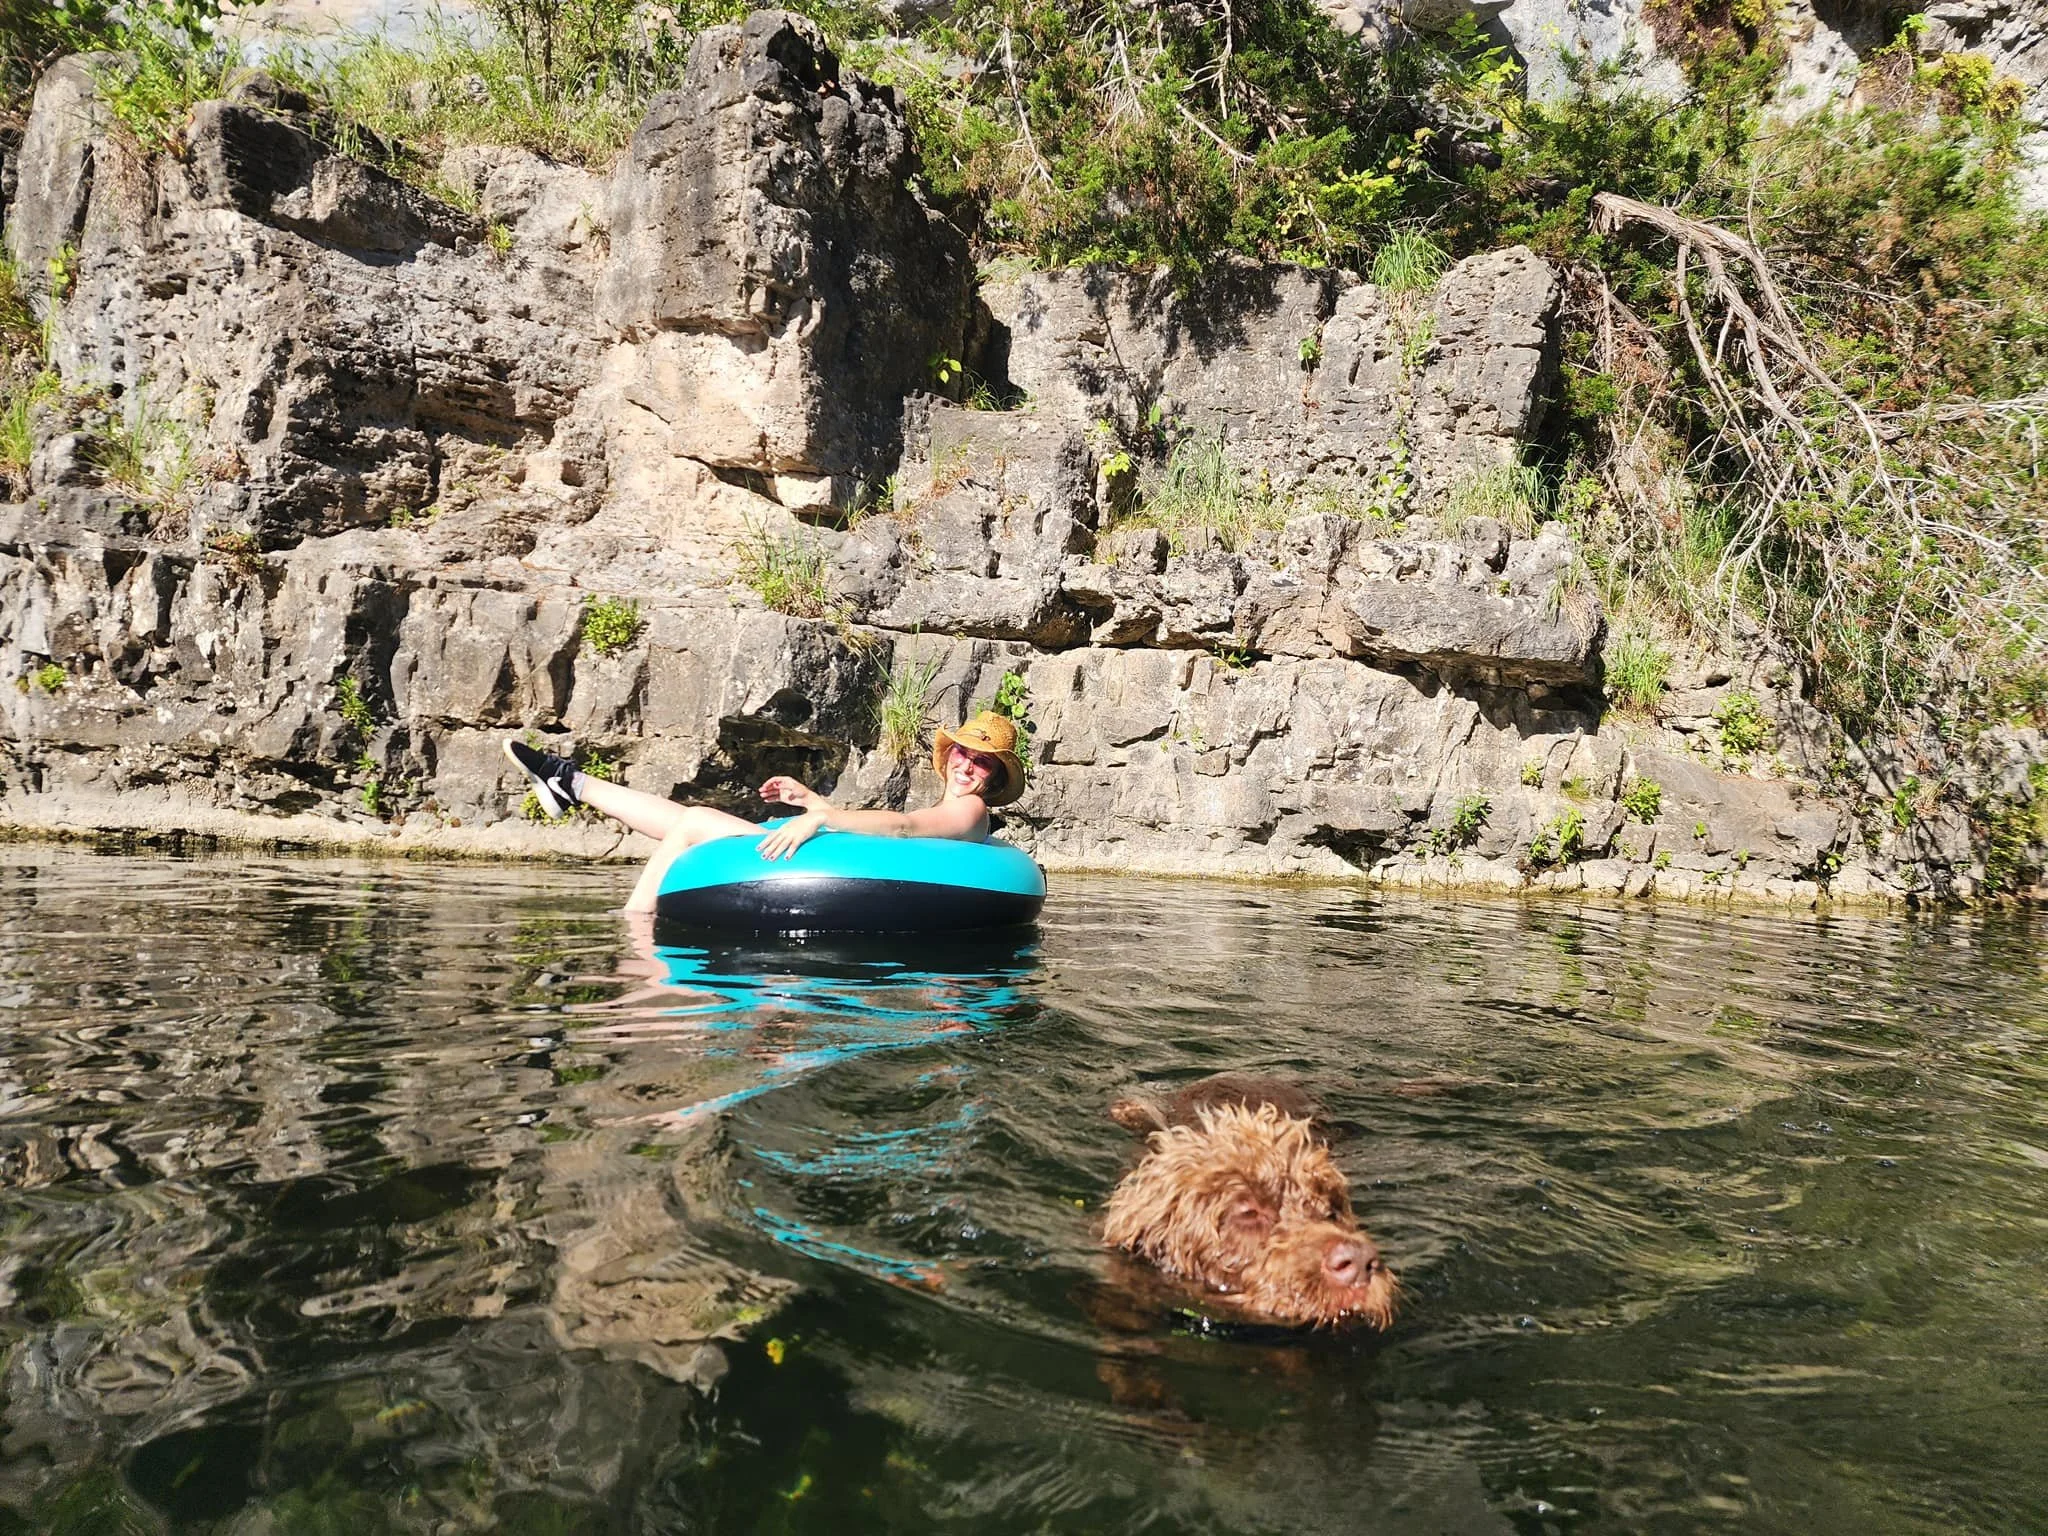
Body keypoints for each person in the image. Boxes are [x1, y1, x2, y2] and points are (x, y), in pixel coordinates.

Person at [504, 712, 1028, 914]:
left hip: (824, 868)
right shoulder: (954, 804)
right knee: (689, 820)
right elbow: (884, 838)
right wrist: (813, 803)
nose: (967, 765)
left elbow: (906, 828)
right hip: (826, 859)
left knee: (694, 822)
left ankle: (635, 926)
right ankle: (570, 781)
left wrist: (821, 819)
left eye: (982, 761)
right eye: (963, 752)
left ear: (995, 777)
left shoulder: (971, 810)